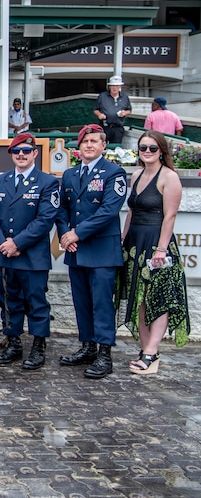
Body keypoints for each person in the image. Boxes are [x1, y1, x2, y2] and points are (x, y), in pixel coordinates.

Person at [56, 124, 127, 379]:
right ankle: (87, 347)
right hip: (76, 250)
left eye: (94, 141)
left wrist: (77, 233)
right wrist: (65, 234)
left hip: (101, 251)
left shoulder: (114, 173)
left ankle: (104, 354)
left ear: (103, 145)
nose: (89, 145)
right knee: (82, 303)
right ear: (79, 146)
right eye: (85, 141)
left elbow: (108, 211)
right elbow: (61, 209)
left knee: (101, 305)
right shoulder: (70, 175)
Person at [116, 130, 190, 374]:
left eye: (152, 148)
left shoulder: (169, 177)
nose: (147, 152)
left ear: (162, 151)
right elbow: (132, 213)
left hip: (157, 244)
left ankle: (151, 353)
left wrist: (160, 249)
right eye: (143, 148)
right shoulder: (136, 175)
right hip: (135, 242)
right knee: (139, 297)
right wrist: (123, 239)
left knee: (158, 299)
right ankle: (146, 349)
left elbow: (170, 216)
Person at [0, 133, 59, 369]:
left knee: (36, 303)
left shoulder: (47, 183)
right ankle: (14, 343)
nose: (21, 155)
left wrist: (17, 243)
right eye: (16, 152)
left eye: (26, 151)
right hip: (5, 255)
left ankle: (38, 347)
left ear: (35, 153)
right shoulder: (2, 180)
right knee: (10, 302)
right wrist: (3, 243)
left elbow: (45, 219)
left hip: (32, 256)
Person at [93, 75, 131, 145]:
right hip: (105, 126)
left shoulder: (125, 97)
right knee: (101, 145)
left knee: (116, 147)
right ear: (109, 86)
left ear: (120, 86)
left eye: (117, 86)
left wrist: (124, 113)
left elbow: (129, 110)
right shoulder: (102, 96)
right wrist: (99, 114)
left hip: (118, 127)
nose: (115, 88)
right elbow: (95, 109)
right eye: (113, 85)